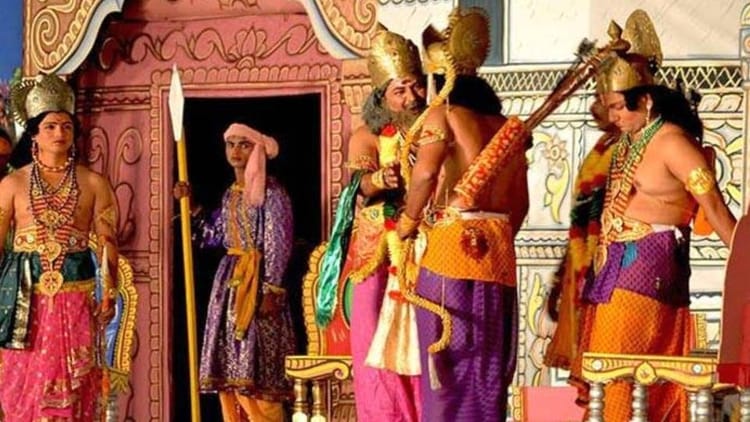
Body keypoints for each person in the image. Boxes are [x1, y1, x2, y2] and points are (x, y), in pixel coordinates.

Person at [574, 11, 736, 421]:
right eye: (609, 108)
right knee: (610, 374)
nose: (613, 117)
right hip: (614, 268)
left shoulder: (673, 143)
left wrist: (745, 262)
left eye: (619, 108)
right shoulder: (630, 141)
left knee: (620, 373)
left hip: (648, 266)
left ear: (645, 101)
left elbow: (715, 208)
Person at [395, 8, 528, 421]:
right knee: (487, 361)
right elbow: (521, 203)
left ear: (440, 79)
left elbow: (425, 175)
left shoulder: (445, 114)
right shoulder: (509, 127)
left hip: (451, 247)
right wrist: (494, 236)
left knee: (446, 358)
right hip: (499, 251)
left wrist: (407, 223)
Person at [318, 27, 426, 422]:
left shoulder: (434, 128)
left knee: (423, 341)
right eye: (399, 90)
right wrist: (381, 178)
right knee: (374, 343)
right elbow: (358, 186)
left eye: (415, 86)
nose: (411, 97)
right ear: (381, 97)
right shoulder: (366, 135)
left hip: (424, 244)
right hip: (377, 249)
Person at [0, 74, 119, 421]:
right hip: (24, 299)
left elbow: (108, 242)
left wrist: (109, 292)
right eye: (50, 126)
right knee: (26, 389)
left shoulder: (94, 183)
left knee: (76, 386)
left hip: (76, 296)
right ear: (34, 133)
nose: (59, 134)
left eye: (66, 126)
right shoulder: (12, 184)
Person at [174, 122, 295, 422]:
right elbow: (216, 236)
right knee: (229, 375)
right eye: (231, 144)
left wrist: (271, 289)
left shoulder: (272, 191)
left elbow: (279, 242)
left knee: (258, 374)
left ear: (258, 150)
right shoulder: (230, 194)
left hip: (258, 286)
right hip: (228, 287)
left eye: (244, 145)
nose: (236, 151)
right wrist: (192, 207)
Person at [543, 93, 619, 399]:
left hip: (613, 265)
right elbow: (583, 217)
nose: (593, 106)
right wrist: (562, 275)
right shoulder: (604, 146)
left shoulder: (627, 147)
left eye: (602, 98)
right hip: (586, 264)